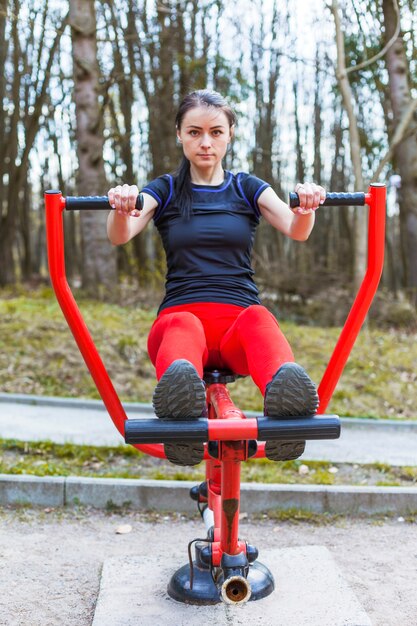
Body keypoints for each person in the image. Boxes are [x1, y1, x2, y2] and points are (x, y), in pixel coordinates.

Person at [107, 89, 325, 467]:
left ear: (230, 134)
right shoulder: (167, 189)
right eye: (194, 132)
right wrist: (122, 205)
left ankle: (288, 412)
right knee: (183, 323)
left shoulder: (246, 187)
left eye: (215, 132)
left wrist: (307, 204)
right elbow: (120, 234)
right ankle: (181, 412)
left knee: (258, 317)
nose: (205, 142)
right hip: (180, 328)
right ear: (179, 134)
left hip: (237, 330)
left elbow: (296, 228)